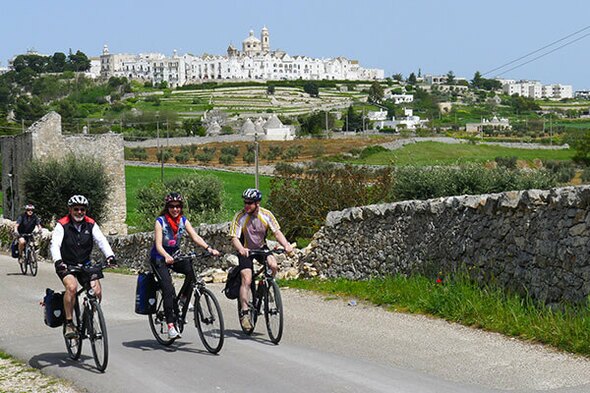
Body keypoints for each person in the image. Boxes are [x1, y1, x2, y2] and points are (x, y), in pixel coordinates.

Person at [150, 192, 220, 340]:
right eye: (172, 206)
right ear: (167, 207)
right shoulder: (160, 222)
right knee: (168, 289)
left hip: (174, 256)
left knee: (190, 269)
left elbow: (195, 237)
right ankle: (170, 326)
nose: (175, 209)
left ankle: (183, 298)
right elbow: (158, 245)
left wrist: (209, 249)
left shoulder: (183, 221)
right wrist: (166, 256)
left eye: (178, 206)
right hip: (159, 257)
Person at [50, 195, 116, 339]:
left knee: (97, 291)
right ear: (70, 210)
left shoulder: (91, 224)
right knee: (72, 287)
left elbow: (101, 240)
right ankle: (69, 323)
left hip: (85, 263)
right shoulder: (62, 224)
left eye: (82, 209)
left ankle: (90, 314)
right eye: (76, 209)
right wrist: (58, 261)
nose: (79, 212)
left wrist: (110, 256)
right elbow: (55, 244)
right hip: (66, 265)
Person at [229, 188, 293, 330]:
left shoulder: (266, 214)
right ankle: (245, 314)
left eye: (250, 203)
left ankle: (265, 288)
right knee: (247, 278)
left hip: (261, 247)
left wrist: (287, 245)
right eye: (245, 202)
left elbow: (277, 232)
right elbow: (234, 237)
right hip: (245, 249)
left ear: (257, 203)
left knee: (273, 265)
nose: (246, 205)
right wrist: (241, 249)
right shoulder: (240, 216)